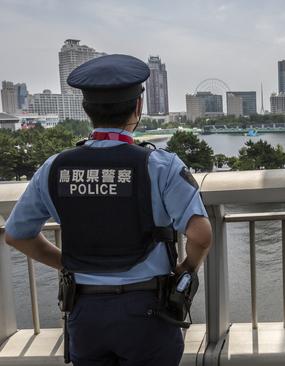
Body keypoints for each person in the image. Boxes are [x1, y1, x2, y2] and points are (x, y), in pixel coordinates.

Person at [4, 54, 213, 366]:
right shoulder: (160, 165)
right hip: (148, 313)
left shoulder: (54, 167)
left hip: (85, 314)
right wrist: (186, 269)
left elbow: (16, 235)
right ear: (138, 108)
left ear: (87, 110)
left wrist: (66, 263)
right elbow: (201, 235)